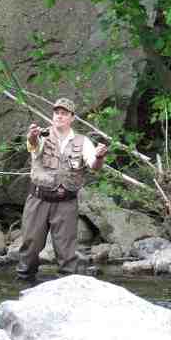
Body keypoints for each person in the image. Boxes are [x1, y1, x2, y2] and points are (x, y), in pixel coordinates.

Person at [17, 98, 108, 281]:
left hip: (66, 203)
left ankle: (67, 286)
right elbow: (33, 146)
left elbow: (94, 166)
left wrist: (99, 157)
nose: (59, 116)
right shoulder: (40, 136)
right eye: (57, 112)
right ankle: (24, 282)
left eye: (64, 113)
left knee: (67, 252)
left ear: (72, 118)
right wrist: (32, 136)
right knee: (31, 247)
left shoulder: (83, 142)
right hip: (38, 200)